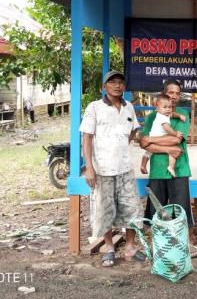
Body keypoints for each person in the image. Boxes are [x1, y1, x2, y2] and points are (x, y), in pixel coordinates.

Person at [80, 71, 145, 267]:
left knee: (132, 208)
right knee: (104, 209)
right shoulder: (95, 108)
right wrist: (89, 167)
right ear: (104, 87)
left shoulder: (129, 108)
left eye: (120, 83)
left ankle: (130, 247)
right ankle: (109, 247)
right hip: (103, 170)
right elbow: (87, 137)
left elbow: (133, 129)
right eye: (112, 82)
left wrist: (122, 145)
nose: (117, 86)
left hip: (125, 168)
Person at [140, 80, 197, 257]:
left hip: (179, 168)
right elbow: (143, 142)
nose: (173, 96)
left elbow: (176, 140)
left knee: (181, 209)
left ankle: (185, 244)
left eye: (177, 93)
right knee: (156, 209)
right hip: (157, 169)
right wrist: (163, 147)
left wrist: (152, 140)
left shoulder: (182, 114)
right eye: (170, 93)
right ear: (164, 94)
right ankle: (158, 244)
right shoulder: (152, 117)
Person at [140, 93, 186, 177]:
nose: (168, 109)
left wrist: (179, 115)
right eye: (165, 107)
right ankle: (170, 166)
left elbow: (172, 114)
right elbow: (167, 128)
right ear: (157, 108)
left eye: (170, 107)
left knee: (148, 153)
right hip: (156, 138)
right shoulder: (161, 117)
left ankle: (144, 165)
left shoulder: (164, 114)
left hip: (156, 138)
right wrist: (176, 133)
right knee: (173, 148)